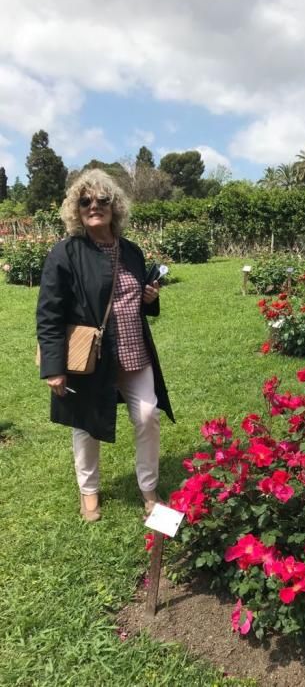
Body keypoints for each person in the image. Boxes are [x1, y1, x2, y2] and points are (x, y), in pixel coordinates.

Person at [36, 169, 174, 522]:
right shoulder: (65, 254)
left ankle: (148, 488)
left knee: (147, 416)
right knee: (86, 424)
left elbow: (136, 301)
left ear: (116, 206)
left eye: (102, 200)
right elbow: (49, 313)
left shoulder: (131, 251)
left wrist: (149, 297)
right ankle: (89, 492)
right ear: (75, 209)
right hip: (91, 357)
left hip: (134, 351)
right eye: (85, 201)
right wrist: (53, 367)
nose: (94, 206)